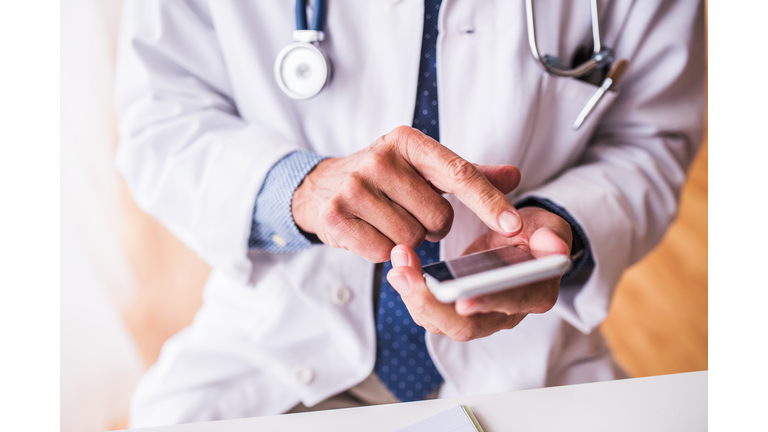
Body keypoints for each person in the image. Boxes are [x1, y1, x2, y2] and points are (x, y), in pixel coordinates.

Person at [114, 0, 705, 427]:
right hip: (273, 347)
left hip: (531, 360)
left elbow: (652, 137)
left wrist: (563, 224)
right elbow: (160, 118)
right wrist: (301, 190)